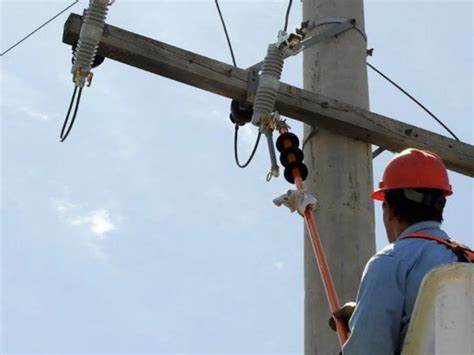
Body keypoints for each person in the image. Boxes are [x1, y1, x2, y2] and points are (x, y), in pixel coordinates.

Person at [331, 148, 472, 355]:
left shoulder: (391, 262)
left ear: (388, 210)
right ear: (440, 206)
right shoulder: (468, 262)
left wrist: (361, 328)